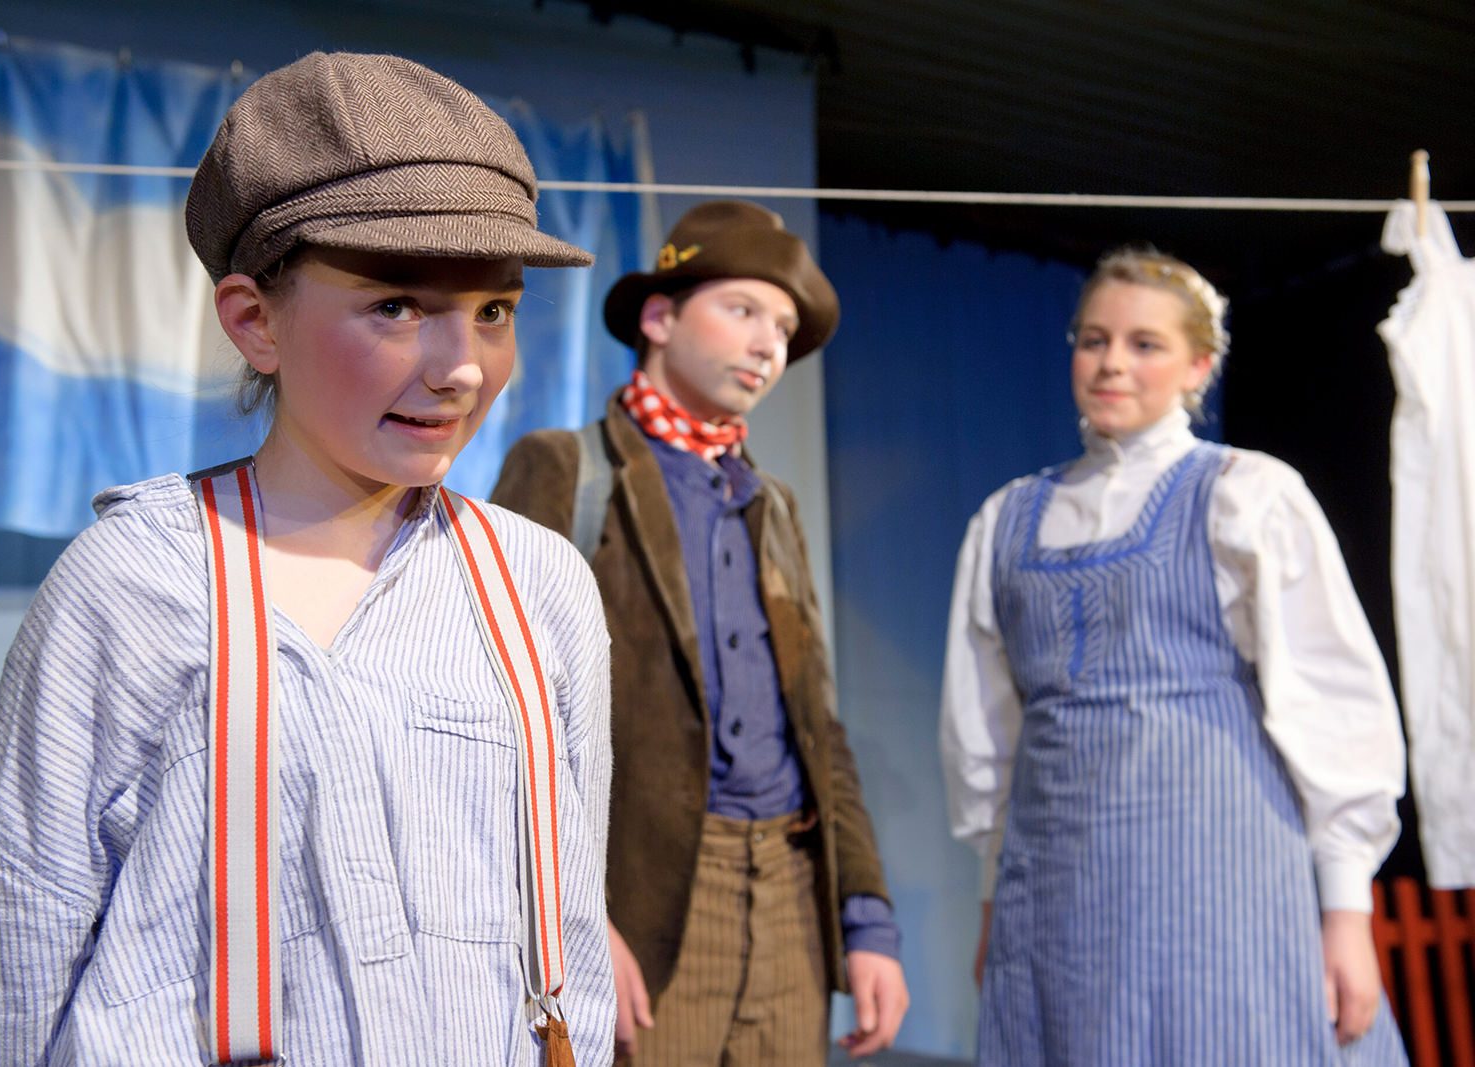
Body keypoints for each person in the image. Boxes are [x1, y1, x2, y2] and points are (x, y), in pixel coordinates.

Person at [0, 52, 614, 1066]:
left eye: (494, 310)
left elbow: (570, 929)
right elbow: (2, 948)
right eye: (397, 306)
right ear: (254, 319)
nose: (462, 367)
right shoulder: (135, 583)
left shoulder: (539, 585)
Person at [939, 247, 1409, 1065]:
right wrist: (993, 906)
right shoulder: (1006, 519)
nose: (1112, 362)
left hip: (1221, 891)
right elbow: (986, 732)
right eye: (1094, 339)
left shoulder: (1244, 494)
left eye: (1144, 343)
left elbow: (1333, 702)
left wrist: (1345, 913)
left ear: (1198, 365)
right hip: (1057, 906)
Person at [491, 200, 909, 1065]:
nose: (767, 344)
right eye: (743, 310)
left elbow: (816, 727)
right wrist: (571, 915)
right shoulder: (567, 469)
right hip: (649, 896)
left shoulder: (771, 504)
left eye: (783, 329)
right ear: (659, 317)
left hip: (791, 893)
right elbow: (504, 716)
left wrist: (867, 919)